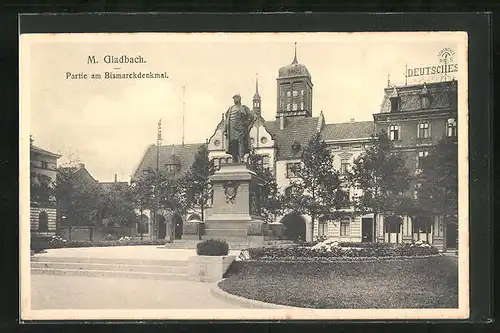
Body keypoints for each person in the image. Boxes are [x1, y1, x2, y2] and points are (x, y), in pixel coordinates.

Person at [223, 94, 255, 162]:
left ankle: (241, 157)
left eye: (236, 98)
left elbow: (252, 116)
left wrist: (247, 122)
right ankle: (235, 158)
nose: (235, 100)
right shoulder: (230, 109)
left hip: (241, 128)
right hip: (232, 129)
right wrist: (225, 129)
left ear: (239, 99)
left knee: (241, 143)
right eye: (234, 98)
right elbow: (227, 120)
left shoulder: (244, 108)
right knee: (233, 143)